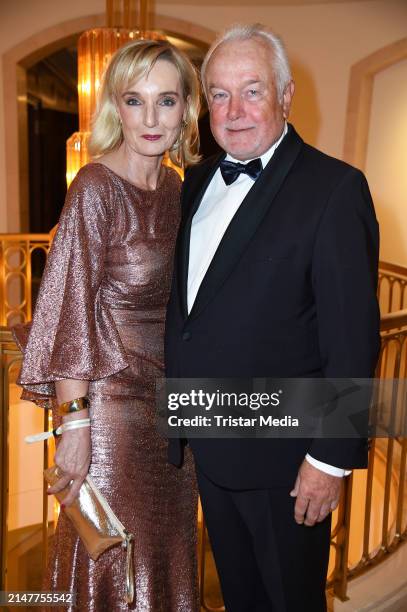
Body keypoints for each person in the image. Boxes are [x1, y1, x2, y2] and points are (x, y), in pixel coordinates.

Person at [165, 23, 380, 612]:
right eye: (218, 94)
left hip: (286, 463)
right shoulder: (196, 182)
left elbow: (352, 340)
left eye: (252, 90)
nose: (233, 111)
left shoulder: (335, 189)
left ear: (286, 96)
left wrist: (329, 458)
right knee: (240, 597)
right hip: (209, 445)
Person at [14, 39, 201, 611]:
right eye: (135, 100)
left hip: (172, 409)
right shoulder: (94, 189)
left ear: (186, 110)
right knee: (117, 558)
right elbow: (68, 311)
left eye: (165, 101)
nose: (150, 119)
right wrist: (75, 427)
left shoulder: (178, 191)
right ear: (115, 108)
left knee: (170, 550)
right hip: (111, 414)